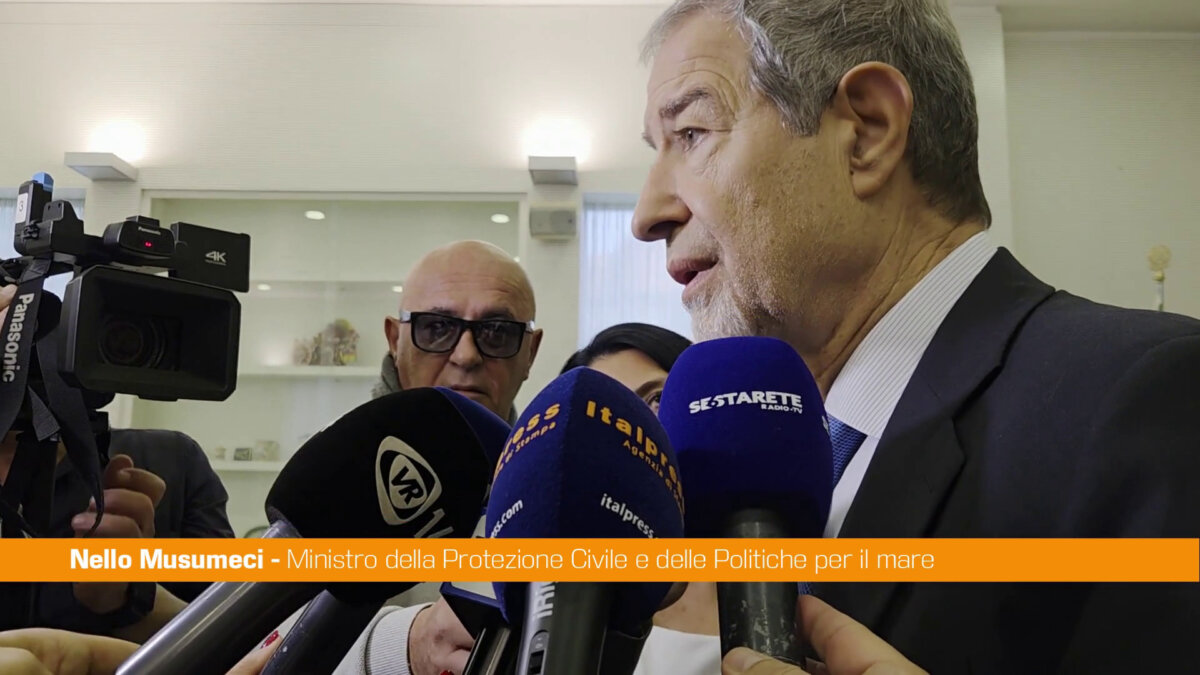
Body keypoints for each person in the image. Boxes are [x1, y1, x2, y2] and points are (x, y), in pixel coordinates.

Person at [633, 0, 1200, 673]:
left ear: (867, 133)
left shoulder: (1154, 397)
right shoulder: (778, 462)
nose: (646, 214)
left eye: (691, 133)